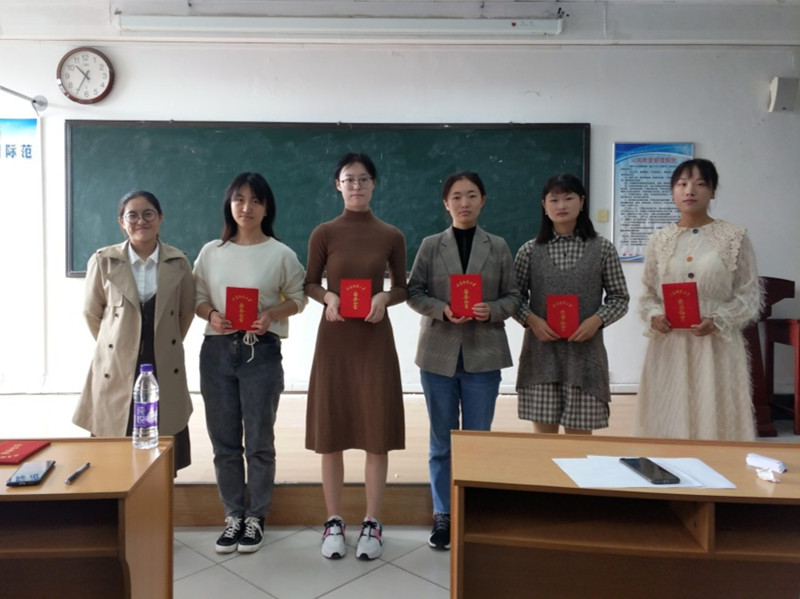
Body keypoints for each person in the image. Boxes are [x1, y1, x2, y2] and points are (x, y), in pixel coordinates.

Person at [193, 172, 307, 554]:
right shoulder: (211, 252)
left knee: (259, 440)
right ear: (229, 204)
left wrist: (271, 314)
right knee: (224, 441)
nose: (247, 207)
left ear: (266, 208)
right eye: (239, 199)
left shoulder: (281, 253)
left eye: (256, 200)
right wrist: (212, 315)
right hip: (217, 352)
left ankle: (256, 517)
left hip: (261, 351)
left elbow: (298, 298)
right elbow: (197, 297)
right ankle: (233, 516)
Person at [407, 172, 520, 551]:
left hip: (483, 353)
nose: (464, 203)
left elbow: (514, 296)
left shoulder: (498, 246)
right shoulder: (431, 245)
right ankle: (443, 513)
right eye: (456, 196)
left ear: (483, 200)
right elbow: (414, 292)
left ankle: (472, 509)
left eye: (472, 195)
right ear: (446, 203)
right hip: (438, 353)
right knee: (442, 441)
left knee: (477, 439)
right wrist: (442, 309)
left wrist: (493, 310)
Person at [305, 152, 407, 561]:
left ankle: (371, 522)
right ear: (338, 185)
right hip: (335, 340)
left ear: (374, 184)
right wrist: (328, 297)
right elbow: (310, 283)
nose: (357, 186)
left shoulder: (391, 235)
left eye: (364, 179)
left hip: (374, 340)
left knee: (375, 433)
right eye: (349, 179)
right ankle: (333, 521)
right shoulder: (324, 233)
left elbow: (403, 288)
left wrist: (384, 297)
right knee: (331, 432)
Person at [635, 159, 762, 440]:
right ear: (673, 192)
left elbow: (749, 293)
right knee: (669, 411)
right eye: (682, 184)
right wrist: (654, 316)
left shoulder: (734, 237)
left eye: (700, 184)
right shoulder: (659, 240)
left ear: (713, 192)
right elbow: (647, 294)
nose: (689, 190)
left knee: (716, 414)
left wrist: (719, 320)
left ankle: (721, 464)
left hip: (717, 343)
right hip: (670, 343)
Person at [75, 191, 195, 473]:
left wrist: (165, 343)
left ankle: (157, 495)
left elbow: (185, 313)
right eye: (133, 215)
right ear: (122, 221)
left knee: (162, 437)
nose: (141, 221)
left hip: (162, 358)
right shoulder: (103, 260)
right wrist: (115, 344)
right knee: (114, 442)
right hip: (116, 362)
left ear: (160, 218)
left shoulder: (178, 262)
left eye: (148, 214)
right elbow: (91, 312)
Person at [514, 173, 629, 434]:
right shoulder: (529, 251)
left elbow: (619, 298)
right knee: (545, 442)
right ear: (544, 205)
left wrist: (596, 320)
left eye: (568, 198)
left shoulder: (603, 249)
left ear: (582, 202)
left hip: (585, 355)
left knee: (579, 443)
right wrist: (532, 320)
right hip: (541, 355)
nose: (561, 205)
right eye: (554, 200)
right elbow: (514, 297)